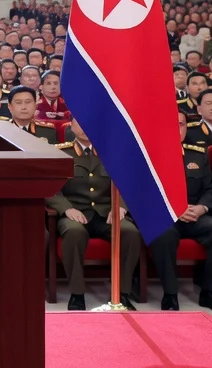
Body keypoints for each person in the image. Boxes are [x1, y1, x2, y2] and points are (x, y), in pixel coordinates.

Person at [48, 118, 141, 311]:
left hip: (108, 211)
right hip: (75, 212)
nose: (85, 127)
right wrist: (67, 209)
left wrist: (121, 207)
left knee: (130, 232)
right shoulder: (59, 152)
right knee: (74, 233)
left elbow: (128, 184)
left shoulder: (113, 152)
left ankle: (121, 293)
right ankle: (77, 293)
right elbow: (51, 189)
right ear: (70, 126)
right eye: (79, 122)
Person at [149, 108, 212, 314]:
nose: (177, 129)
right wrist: (175, 209)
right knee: (163, 234)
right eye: (171, 124)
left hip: (196, 214)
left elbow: (210, 189)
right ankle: (170, 294)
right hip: (166, 215)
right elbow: (145, 193)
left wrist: (202, 208)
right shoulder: (150, 156)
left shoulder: (198, 154)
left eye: (181, 124)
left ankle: (211, 293)